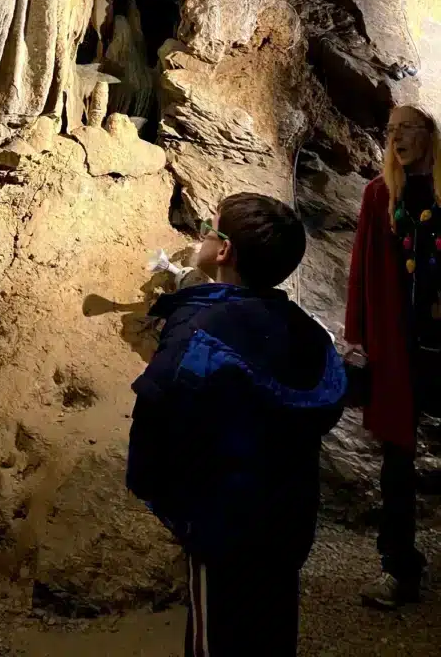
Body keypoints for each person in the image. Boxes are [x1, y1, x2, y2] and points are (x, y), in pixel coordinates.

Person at [127, 193, 347, 657]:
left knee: (217, 640)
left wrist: (180, 511)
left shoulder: (200, 331)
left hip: (222, 526)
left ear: (224, 251)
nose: (202, 237)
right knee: (271, 632)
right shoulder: (304, 330)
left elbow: (154, 424)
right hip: (286, 522)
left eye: (209, 229)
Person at [345, 105, 441, 609]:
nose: (397, 137)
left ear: (429, 135)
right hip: (400, 349)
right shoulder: (380, 194)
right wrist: (357, 336)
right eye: (391, 130)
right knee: (396, 461)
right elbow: (362, 266)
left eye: (407, 128)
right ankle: (398, 569)